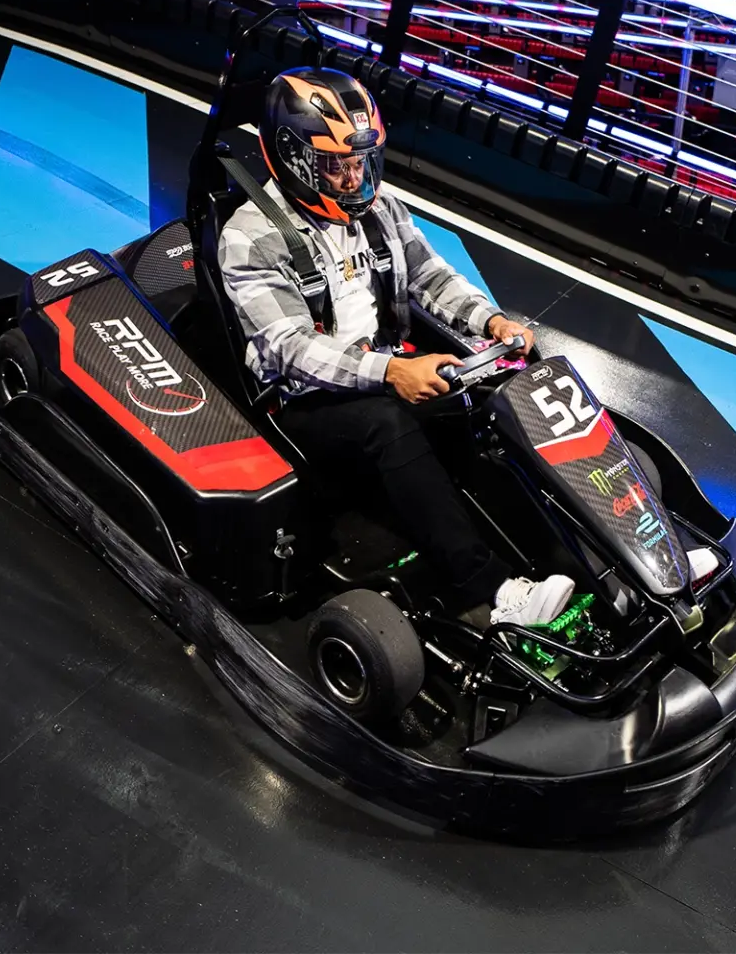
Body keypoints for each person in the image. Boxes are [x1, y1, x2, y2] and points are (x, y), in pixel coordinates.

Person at [218, 66, 574, 628]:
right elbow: (290, 349)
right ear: (294, 159)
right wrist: (389, 373)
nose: (354, 175)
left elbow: (430, 277)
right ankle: (495, 594)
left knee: (494, 404)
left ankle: (594, 555)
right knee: (389, 425)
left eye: (359, 159)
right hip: (303, 404)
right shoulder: (249, 236)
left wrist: (493, 322)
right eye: (336, 164)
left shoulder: (379, 208)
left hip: (385, 364)